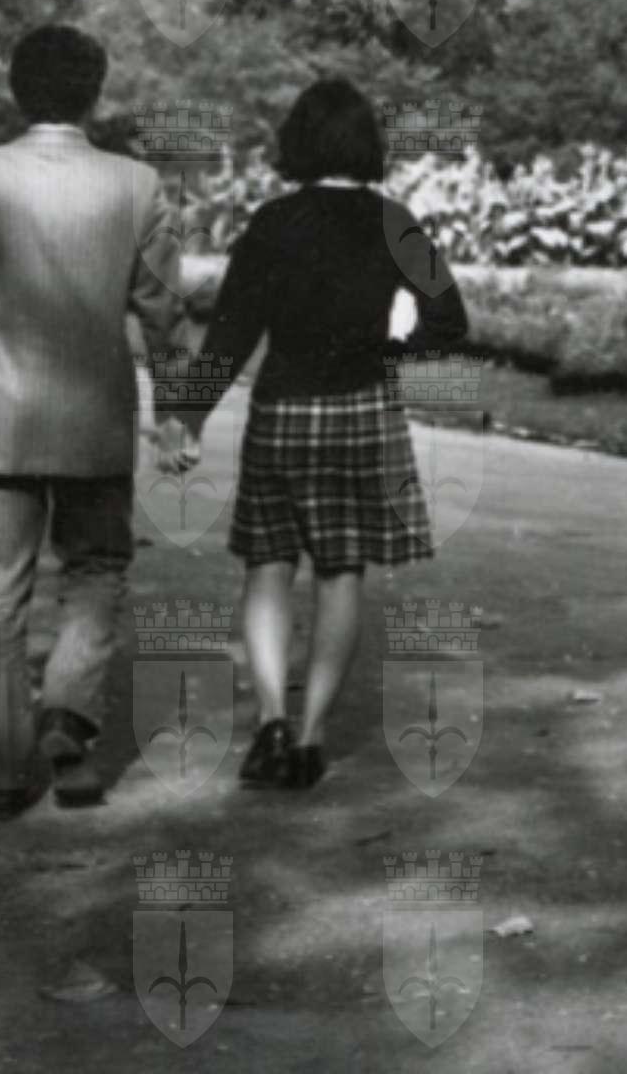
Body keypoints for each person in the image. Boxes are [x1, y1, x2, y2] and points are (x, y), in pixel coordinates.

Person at [157, 76, 468, 790]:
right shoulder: (394, 222)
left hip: (282, 413)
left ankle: (270, 719)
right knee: (340, 571)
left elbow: (230, 336)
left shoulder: (271, 223)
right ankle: (310, 738)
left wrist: (188, 419)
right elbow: (450, 319)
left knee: (267, 565)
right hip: (362, 413)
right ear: (367, 144)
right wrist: (392, 349)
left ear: (297, 141)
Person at [0, 24, 184, 818]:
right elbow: (162, 314)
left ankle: (4, 775)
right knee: (97, 567)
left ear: (16, 91)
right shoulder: (137, 184)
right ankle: (68, 714)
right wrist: (177, 413)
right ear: (94, 95)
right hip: (97, 416)